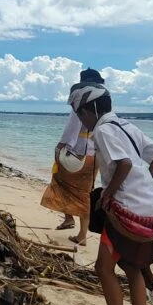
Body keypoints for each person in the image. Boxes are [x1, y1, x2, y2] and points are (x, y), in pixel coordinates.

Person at [71, 84, 153, 305]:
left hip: (125, 211)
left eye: (81, 114)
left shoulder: (102, 129)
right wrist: (144, 184)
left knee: (103, 268)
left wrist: (109, 195)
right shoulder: (126, 125)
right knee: (133, 267)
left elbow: (123, 164)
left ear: (92, 110)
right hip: (148, 210)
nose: (81, 120)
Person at [40, 68, 103, 244]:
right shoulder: (103, 105)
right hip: (95, 153)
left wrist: (60, 148)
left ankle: (82, 234)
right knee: (85, 191)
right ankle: (71, 221)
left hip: (78, 152)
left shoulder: (81, 104)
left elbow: (72, 130)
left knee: (61, 181)